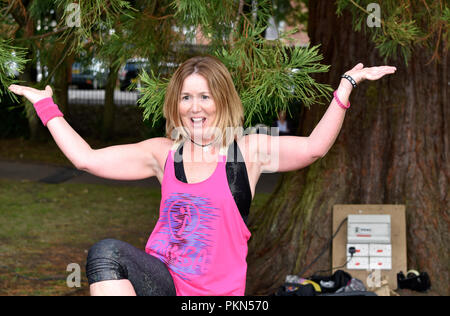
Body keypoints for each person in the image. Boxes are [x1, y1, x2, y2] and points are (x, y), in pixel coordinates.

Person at [8, 56, 396, 296]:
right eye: (186, 97)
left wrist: (345, 87)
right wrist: (46, 107)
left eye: (205, 96)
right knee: (106, 254)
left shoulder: (249, 150)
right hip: (161, 284)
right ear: (176, 105)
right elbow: (86, 159)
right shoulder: (162, 153)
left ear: (222, 101)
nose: (195, 107)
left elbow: (314, 147)